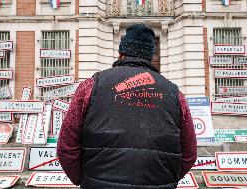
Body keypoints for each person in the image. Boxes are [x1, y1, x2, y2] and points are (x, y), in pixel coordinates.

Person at [57, 24, 197, 189]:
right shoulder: (174, 94)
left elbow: (66, 147)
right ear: (150, 56)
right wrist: (166, 180)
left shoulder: (91, 86)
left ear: (121, 53)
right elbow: (189, 154)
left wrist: (85, 180)